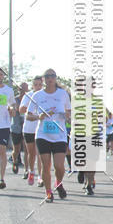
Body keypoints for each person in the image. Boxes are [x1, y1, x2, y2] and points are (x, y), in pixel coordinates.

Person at [25, 69, 71, 202]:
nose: (50, 79)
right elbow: (28, 115)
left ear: (56, 78)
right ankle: (48, 192)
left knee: (59, 166)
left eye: (52, 76)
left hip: (59, 135)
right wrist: (39, 116)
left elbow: (69, 111)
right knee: (46, 165)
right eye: (47, 76)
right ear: (44, 79)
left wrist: (67, 116)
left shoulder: (63, 94)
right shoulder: (38, 95)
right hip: (42, 135)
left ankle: (58, 183)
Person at [20, 76, 42, 185]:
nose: (38, 87)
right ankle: (31, 171)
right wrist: (30, 105)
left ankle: (41, 176)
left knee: (40, 154)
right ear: (32, 85)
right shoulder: (28, 95)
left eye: (40, 84)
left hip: (41, 129)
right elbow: (21, 109)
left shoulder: (44, 96)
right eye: (36, 84)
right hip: (28, 128)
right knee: (31, 153)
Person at [0, 67, 16, 189]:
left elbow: (12, 105)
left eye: (1, 75)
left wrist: (12, 109)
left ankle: (1, 178)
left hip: (3, 125)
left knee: (2, 150)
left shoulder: (8, 90)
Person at [10, 82, 28, 174]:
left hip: (26, 128)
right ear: (19, 90)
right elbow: (13, 108)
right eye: (22, 89)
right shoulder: (15, 100)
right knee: (16, 149)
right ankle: (15, 161)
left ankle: (26, 169)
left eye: (25, 89)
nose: (23, 91)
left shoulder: (29, 100)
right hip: (16, 127)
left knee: (26, 149)